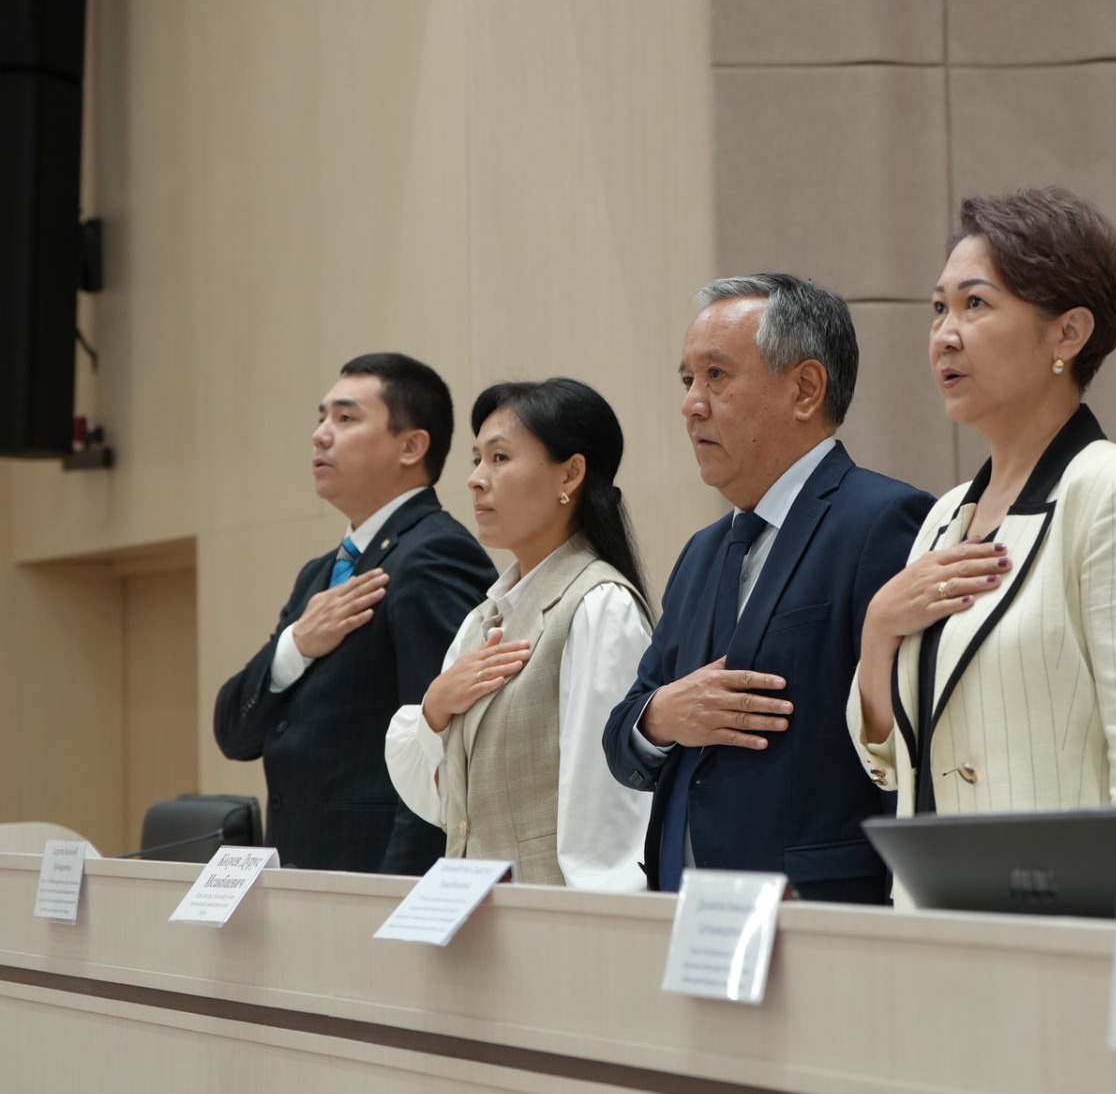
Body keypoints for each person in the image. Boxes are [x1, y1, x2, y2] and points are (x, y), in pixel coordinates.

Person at [849, 188, 1116, 826]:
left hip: (1061, 891)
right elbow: (889, 764)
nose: (944, 336)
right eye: (938, 309)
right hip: (934, 887)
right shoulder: (945, 517)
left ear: (1068, 332)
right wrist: (878, 632)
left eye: (975, 304)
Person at [601, 275, 932, 902]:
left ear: (805, 389)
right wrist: (663, 716)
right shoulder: (701, 553)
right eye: (686, 380)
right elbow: (623, 735)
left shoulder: (884, 522)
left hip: (818, 912)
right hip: (685, 912)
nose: (691, 404)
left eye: (716, 376)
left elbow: (910, 748)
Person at [213, 353, 496, 873]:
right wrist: (295, 646)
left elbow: (446, 745)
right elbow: (235, 733)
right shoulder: (320, 573)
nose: (321, 434)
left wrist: (403, 893)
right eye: (322, 417)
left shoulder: (433, 554)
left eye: (345, 418)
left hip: (375, 881)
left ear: (411, 446)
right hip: (303, 872)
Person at [385, 378, 654, 890]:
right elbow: (446, 806)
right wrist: (434, 708)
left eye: (500, 457)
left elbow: (608, 817)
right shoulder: (481, 621)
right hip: (476, 916)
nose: (475, 479)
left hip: (554, 922)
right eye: (476, 459)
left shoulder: (599, 605)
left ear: (570, 474)